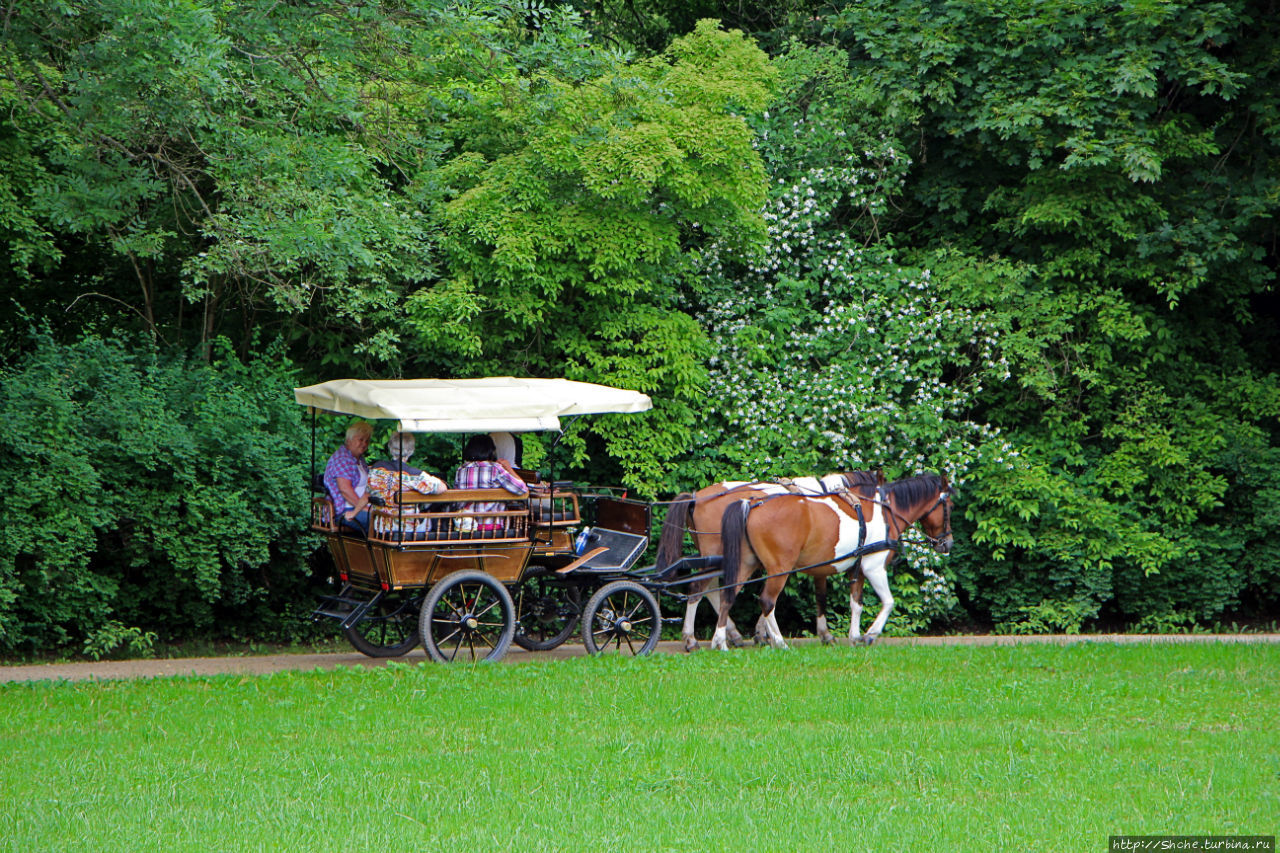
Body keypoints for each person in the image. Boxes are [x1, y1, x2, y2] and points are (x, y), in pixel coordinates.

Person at [367, 432, 447, 540]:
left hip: (380, 526)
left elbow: (368, 489)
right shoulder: (413, 475)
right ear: (411, 451)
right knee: (432, 521)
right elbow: (442, 488)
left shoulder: (375, 470)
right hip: (407, 528)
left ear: (390, 447)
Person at [454, 434, 530, 531]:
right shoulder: (495, 468)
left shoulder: (461, 470)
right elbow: (522, 490)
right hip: (490, 527)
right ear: (490, 450)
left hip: (465, 526)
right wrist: (509, 468)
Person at [323, 421, 372, 534]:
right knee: (377, 521)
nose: (364, 444)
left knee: (386, 519)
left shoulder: (359, 459)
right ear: (349, 440)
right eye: (361, 439)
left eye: (367, 441)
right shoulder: (342, 458)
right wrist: (363, 509)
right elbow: (345, 490)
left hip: (358, 508)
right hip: (345, 511)